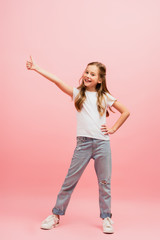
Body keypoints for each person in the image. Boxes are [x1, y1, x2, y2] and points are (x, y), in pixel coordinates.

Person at [26, 56, 130, 234]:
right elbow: (57, 81)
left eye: (92, 74)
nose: (88, 75)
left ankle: (106, 217)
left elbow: (126, 111)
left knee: (105, 183)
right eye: (87, 72)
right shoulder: (78, 94)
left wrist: (112, 128)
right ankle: (56, 215)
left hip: (102, 145)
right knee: (69, 181)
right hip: (83, 144)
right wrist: (36, 68)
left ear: (100, 79)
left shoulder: (104, 96)